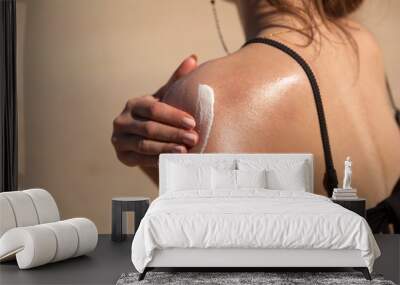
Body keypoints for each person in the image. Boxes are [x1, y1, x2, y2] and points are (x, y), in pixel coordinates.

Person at [112, 0, 400, 231]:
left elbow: (212, 257)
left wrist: (162, 156)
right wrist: (160, 161)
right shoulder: (363, 44)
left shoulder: (212, 93)